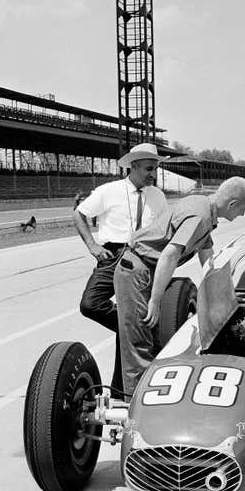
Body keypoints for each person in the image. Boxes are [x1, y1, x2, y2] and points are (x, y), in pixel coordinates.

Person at [114, 177, 245, 394]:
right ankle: (134, 407)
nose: (242, 215)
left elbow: (208, 259)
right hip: (138, 270)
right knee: (139, 343)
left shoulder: (204, 207)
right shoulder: (200, 217)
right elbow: (170, 254)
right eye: (243, 210)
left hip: (145, 268)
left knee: (142, 337)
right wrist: (156, 300)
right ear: (232, 205)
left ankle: (130, 392)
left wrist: (225, 298)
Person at [74, 143, 167, 397]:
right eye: (149, 169)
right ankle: (134, 328)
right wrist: (92, 245)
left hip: (142, 258)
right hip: (112, 254)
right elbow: (79, 214)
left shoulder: (158, 196)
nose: (153, 174)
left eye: (155, 169)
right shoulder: (109, 191)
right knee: (90, 304)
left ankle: (120, 392)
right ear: (133, 166)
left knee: (128, 324)